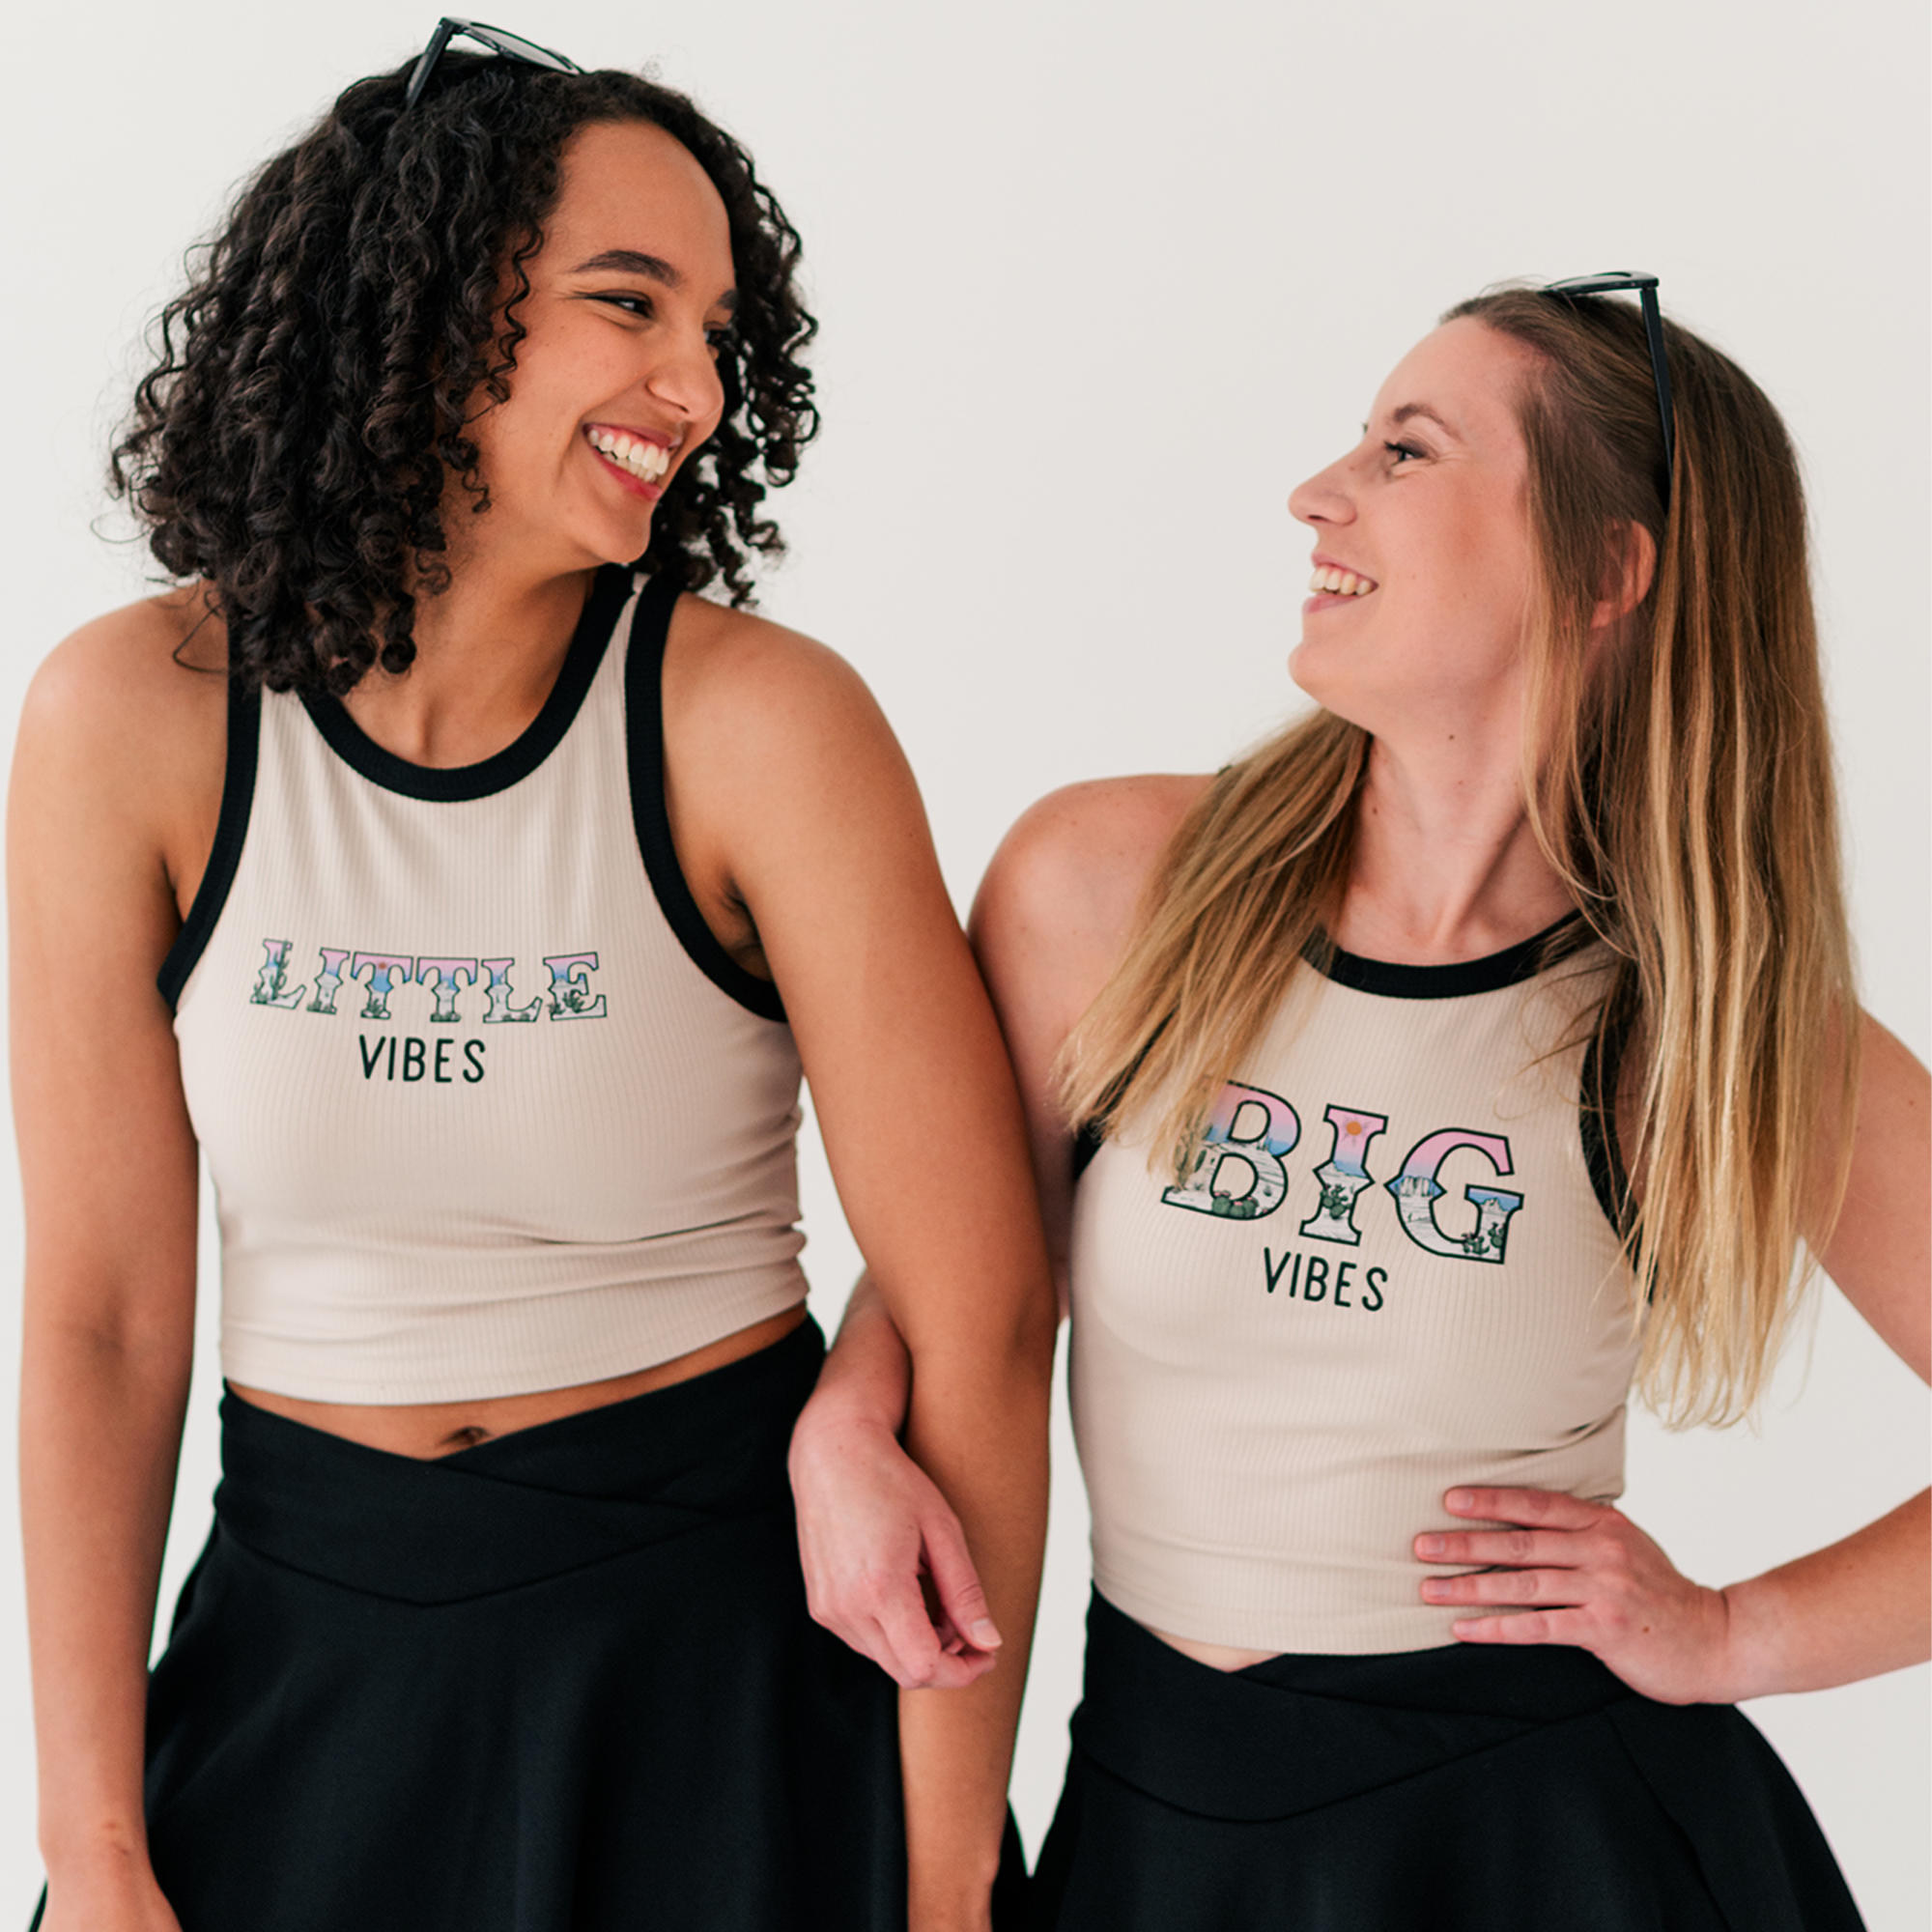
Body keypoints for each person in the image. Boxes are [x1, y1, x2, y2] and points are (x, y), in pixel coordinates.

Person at [11, 23, 1053, 1932]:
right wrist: (92, 1850)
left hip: (716, 1653)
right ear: (413, 300)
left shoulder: (760, 727)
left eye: (721, 329)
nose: (695, 384)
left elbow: (981, 1309)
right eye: (627, 303)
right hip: (300, 1646)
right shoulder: (128, 720)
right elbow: (100, 1323)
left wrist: (943, 1883)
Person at [794, 277, 1932, 1928]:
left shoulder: (1720, 1028)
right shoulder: (1109, 890)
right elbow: (971, 1274)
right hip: (1155, 1828)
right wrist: (849, 1407)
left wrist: (1739, 1632)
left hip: (1554, 1853)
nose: (1318, 493)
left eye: (1406, 450)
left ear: (1609, 572)